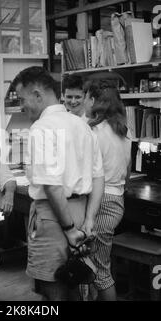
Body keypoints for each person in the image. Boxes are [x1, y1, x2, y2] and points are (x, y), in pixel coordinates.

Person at [12, 66, 104, 301]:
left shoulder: (41, 128)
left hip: (54, 217)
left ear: (38, 95)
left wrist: (69, 229)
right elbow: (97, 177)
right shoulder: (81, 125)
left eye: (23, 99)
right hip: (82, 213)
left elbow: (52, 187)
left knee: (52, 290)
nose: (22, 106)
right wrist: (89, 220)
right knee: (74, 283)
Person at [83, 79, 132, 301]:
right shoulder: (124, 130)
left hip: (100, 201)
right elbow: (128, 171)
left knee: (99, 271)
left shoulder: (92, 131)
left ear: (92, 100)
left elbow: (87, 173)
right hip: (117, 200)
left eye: (84, 97)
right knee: (96, 267)